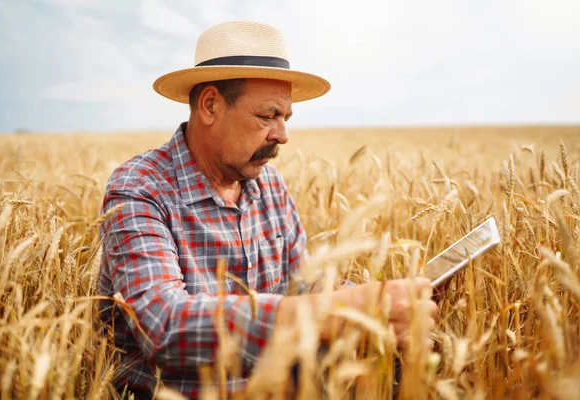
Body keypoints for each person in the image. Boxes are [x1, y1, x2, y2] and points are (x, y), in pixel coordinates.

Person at [97, 20, 438, 399]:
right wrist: (334, 312)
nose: (282, 134)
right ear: (210, 105)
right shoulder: (140, 188)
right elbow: (162, 326)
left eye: (285, 118)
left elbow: (303, 283)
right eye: (267, 116)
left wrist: (374, 301)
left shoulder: (269, 184)